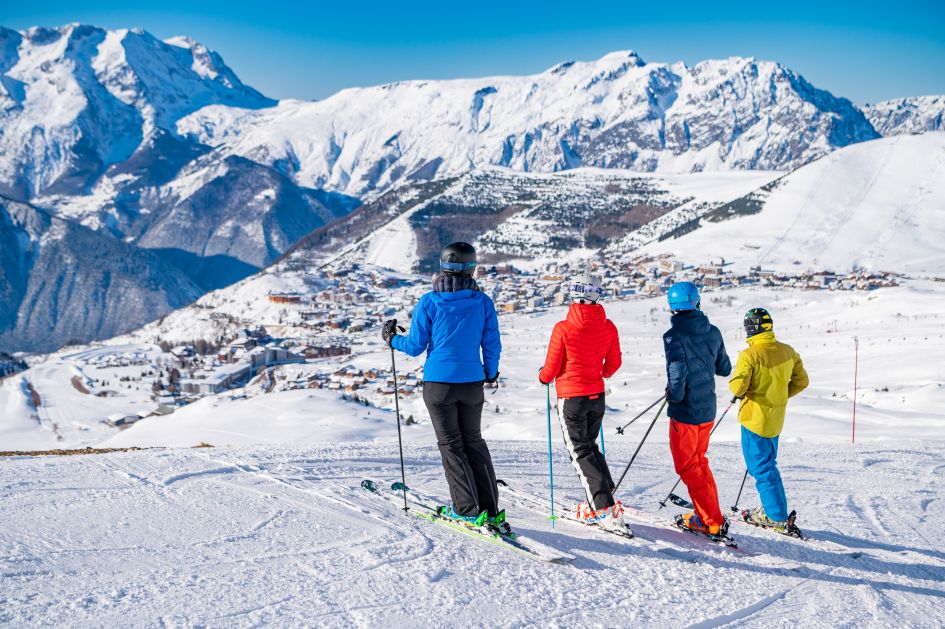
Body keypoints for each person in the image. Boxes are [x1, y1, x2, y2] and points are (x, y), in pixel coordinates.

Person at [382, 242, 506, 531]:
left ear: (442, 267)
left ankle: (466, 509)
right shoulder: (483, 303)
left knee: (452, 447)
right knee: (474, 443)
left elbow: (414, 346)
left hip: (438, 386)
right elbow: (492, 344)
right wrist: (489, 372)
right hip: (472, 384)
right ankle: (489, 508)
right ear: (472, 268)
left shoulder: (429, 301)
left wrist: (391, 338)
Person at [538, 273, 627, 532]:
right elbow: (614, 363)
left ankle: (602, 508)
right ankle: (607, 495)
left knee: (579, 451)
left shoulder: (563, 328)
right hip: (596, 396)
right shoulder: (608, 326)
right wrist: (601, 374)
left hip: (571, 398)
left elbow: (551, 368)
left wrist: (543, 377)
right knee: (590, 446)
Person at [662, 281, 733, 540]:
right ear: (696, 302)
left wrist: (674, 396)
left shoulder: (673, 336)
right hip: (707, 410)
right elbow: (724, 368)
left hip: (686, 412)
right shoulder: (713, 332)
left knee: (688, 466)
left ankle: (711, 521)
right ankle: (711, 515)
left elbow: (677, 373)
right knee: (699, 462)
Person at [729, 307, 809, 533]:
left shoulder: (750, 354)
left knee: (761, 468)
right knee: (768, 465)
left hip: (754, 419)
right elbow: (802, 381)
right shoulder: (788, 351)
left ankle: (775, 516)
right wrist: (779, 394)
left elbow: (737, 387)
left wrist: (749, 391)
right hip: (775, 419)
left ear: (749, 329)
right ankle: (775, 511)